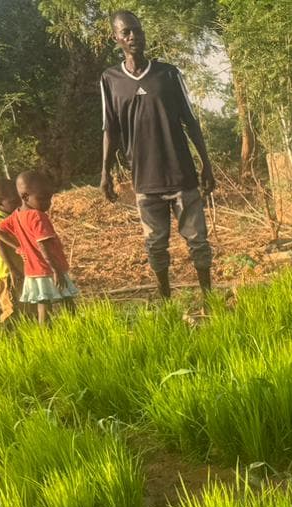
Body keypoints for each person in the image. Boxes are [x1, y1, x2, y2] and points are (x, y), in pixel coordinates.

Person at [99, 9, 215, 300]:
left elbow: (191, 121)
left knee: (198, 242)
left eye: (136, 29)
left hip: (181, 175)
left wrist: (207, 164)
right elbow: (109, 130)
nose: (133, 36)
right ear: (116, 38)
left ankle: (209, 298)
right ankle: (166, 300)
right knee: (155, 244)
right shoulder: (110, 79)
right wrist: (105, 173)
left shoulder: (168, 73)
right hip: (145, 180)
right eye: (126, 32)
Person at [0, 171, 79, 325]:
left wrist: (19, 247)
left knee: (43, 304)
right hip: (49, 268)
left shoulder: (16, 215)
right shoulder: (38, 216)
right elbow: (43, 245)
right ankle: (77, 327)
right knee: (67, 299)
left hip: (33, 271)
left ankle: (44, 335)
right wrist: (56, 270)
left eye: (50, 198)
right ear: (25, 197)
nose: (49, 203)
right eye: (42, 198)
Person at [0, 177, 24, 326]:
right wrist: (12, 269)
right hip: (7, 273)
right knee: (11, 308)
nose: (19, 205)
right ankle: (3, 331)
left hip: (17, 271)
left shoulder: (9, 215)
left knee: (22, 304)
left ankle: (22, 330)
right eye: (14, 201)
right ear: (0, 202)